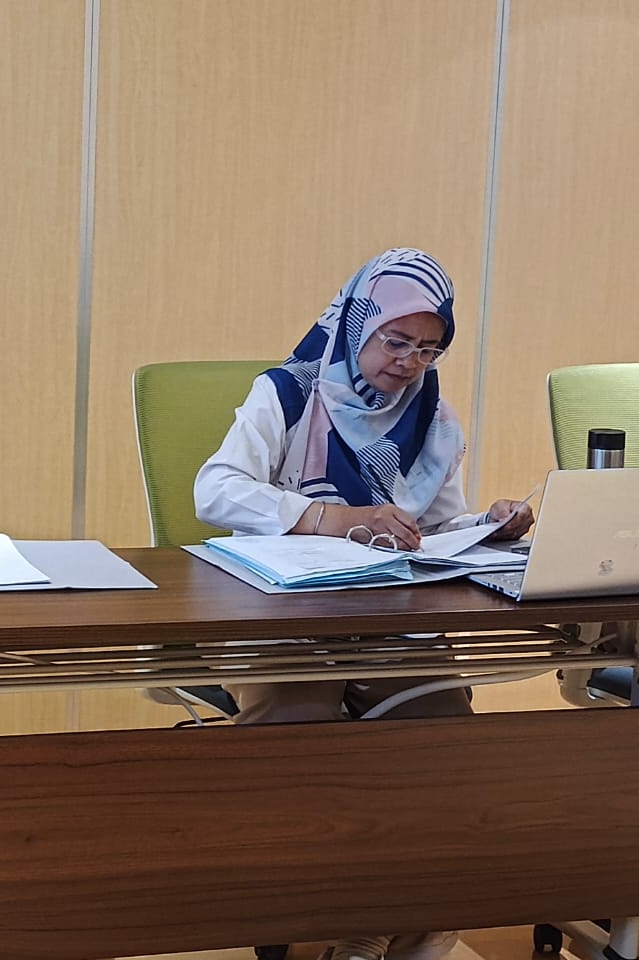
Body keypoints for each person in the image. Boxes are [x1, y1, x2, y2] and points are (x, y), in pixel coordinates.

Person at [193, 247, 533, 960]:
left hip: (386, 618)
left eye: (429, 349)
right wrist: (332, 517)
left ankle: (390, 928)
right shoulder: (288, 393)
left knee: (439, 746)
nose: (410, 363)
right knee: (299, 736)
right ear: (357, 325)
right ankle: (294, 927)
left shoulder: (431, 416)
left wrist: (487, 526)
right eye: (396, 341)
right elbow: (216, 490)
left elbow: (433, 527)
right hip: (279, 613)